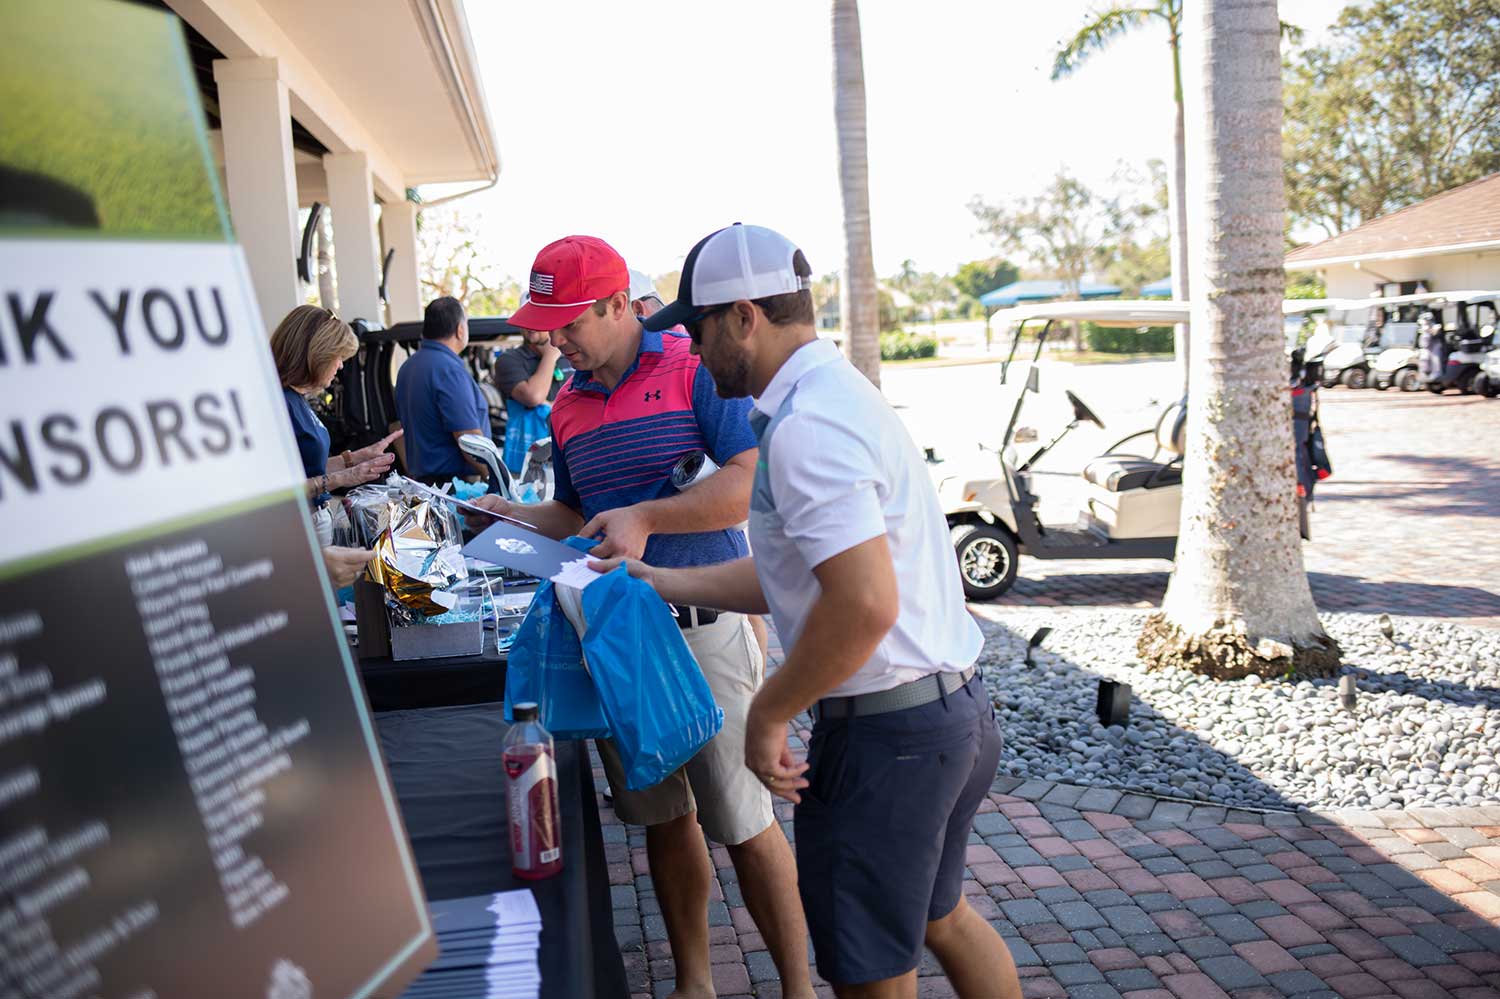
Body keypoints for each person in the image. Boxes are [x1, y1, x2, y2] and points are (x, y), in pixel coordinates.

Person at [595, 224, 1020, 999]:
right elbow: (797, 575)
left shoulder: (806, 427)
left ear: (744, 317)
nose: (689, 347)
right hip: (951, 712)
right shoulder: (834, 393)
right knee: (941, 917)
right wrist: (658, 580)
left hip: (886, 735)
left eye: (695, 326)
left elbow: (861, 604)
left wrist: (769, 711)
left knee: (873, 973)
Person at [472, 235, 813, 999]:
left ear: (620, 304)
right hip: (619, 647)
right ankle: (695, 982)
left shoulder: (695, 367)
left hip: (704, 630)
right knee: (665, 817)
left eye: (568, 322)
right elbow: (575, 511)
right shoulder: (565, 403)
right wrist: (510, 515)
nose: (553, 339)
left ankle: (798, 988)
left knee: (745, 822)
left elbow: (748, 484)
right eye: (547, 324)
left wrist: (648, 517)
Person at [270, 305, 401, 544]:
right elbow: (278, 489)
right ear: (317, 355)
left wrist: (355, 458)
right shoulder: (278, 404)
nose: (340, 366)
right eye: (337, 357)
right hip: (299, 528)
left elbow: (309, 468)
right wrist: (345, 477)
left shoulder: (296, 399)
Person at [393, 296, 490, 484]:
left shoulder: (408, 367)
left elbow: (398, 427)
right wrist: (495, 476)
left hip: (425, 482)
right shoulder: (449, 370)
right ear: (460, 330)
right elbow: (468, 438)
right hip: (453, 487)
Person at [493, 317, 568, 473]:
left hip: (569, 454)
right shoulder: (509, 360)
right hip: (528, 462)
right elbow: (533, 397)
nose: (530, 323)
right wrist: (550, 355)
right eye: (525, 317)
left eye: (537, 316)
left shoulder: (570, 356)